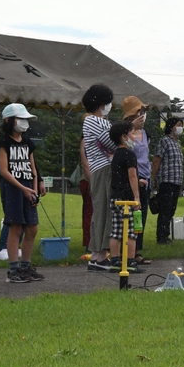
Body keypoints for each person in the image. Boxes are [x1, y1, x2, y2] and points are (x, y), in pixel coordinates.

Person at [0, 103, 45, 283]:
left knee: (32, 228)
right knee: (15, 227)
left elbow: (32, 167)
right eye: (20, 119)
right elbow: (3, 170)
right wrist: (23, 189)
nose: (24, 123)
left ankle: (26, 267)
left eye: (26, 120)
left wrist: (35, 184)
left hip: (27, 186)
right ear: (9, 121)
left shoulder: (27, 143)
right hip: (13, 188)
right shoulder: (3, 143)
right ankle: (13, 270)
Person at [82, 83, 116, 270]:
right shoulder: (96, 121)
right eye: (108, 102)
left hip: (98, 169)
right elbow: (113, 142)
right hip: (104, 169)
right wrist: (128, 130)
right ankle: (101, 255)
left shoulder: (90, 121)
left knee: (100, 210)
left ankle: (97, 254)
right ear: (101, 103)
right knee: (105, 210)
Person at [107, 121, 144, 274]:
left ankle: (115, 260)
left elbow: (120, 175)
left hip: (116, 198)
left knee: (116, 231)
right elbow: (131, 175)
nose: (135, 137)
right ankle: (129, 261)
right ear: (124, 137)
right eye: (132, 133)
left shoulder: (116, 155)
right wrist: (137, 197)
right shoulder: (130, 154)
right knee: (131, 232)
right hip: (128, 200)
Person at [123, 97, 152, 265]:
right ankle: (129, 252)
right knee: (133, 215)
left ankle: (138, 250)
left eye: (143, 112)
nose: (142, 116)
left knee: (142, 216)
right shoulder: (126, 133)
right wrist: (132, 128)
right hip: (133, 176)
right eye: (138, 112)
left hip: (146, 177)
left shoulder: (145, 132)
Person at [151, 117, 184, 245]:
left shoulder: (176, 142)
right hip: (167, 180)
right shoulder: (165, 141)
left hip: (176, 180)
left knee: (172, 208)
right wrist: (154, 177)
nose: (180, 127)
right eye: (178, 125)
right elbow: (157, 159)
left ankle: (165, 234)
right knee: (165, 208)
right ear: (171, 127)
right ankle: (162, 236)